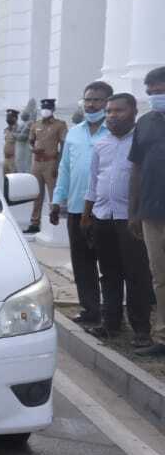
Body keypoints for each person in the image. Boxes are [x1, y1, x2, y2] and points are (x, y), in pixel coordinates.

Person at [82, 94, 150, 347]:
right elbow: (93, 182)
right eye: (109, 111)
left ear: (134, 112)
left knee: (136, 275)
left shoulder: (142, 143)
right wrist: (87, 215)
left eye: (118, 111)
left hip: (130, 220)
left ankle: (141, 330)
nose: (112, 116)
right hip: (103, 217)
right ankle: (110, 324)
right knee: (109, 273)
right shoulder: (101, 144)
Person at [51, 83, 111, 325]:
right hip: (77, 208)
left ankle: (111, 315)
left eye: (97, 100)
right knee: (82, 263)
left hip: (106, 211)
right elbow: (65, 169)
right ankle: (90, 310)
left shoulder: (114, 132)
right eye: (87, 99)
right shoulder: (74, 133)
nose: (91, 104)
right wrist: (57, 201)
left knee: (108, 264)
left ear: (107, 102)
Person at [128, 66, 165, 357]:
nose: (154, 96)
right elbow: (136, 169)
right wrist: (134, 211)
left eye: (159, 90)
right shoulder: (145, 122)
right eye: (150, 92)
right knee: (160, 277)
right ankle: (162, 337)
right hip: (152, 213)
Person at [26, 98, 67, 233]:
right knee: (36, 194)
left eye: (48, 108)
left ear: (53, 109)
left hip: (51, 162)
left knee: (54, 194)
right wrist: (33, 149)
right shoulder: (35, 124)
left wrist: (59, 164)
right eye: (43, 108)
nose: (45, 110)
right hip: (37, 162)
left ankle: (54, 221)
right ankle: (34, 223)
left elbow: (64, 145)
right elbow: (30, 141)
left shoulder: (60, 125)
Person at [3, 108, 20, 177]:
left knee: (14, 179)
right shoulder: (6, 130)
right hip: (6, 159)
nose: (8, 119)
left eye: (10, 117)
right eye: (7, 117)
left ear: (15, 118)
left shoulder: (19, 129)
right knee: (6, 180)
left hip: (13, 160)